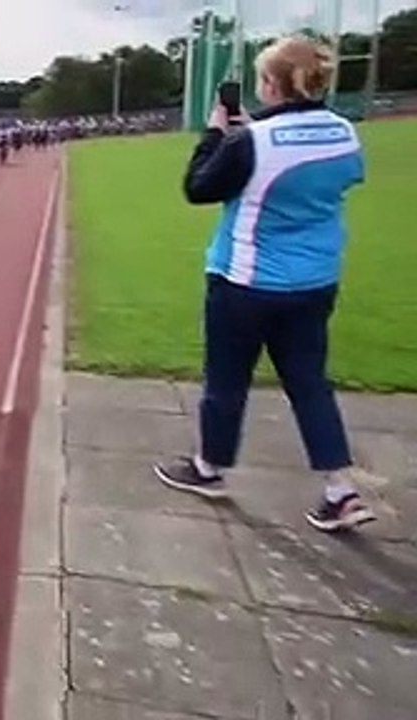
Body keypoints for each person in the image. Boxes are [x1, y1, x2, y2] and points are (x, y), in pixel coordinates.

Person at [153, 35, 374, 533]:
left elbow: (198, 187)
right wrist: (258, 135)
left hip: (246, 282)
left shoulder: (248, 142)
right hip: (314, 282)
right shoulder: (344, 132)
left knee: (227, 381)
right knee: (310, 383)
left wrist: (216, 134)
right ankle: (341, 488)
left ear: (271, 85)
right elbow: (322, 171)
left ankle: (210, 468)